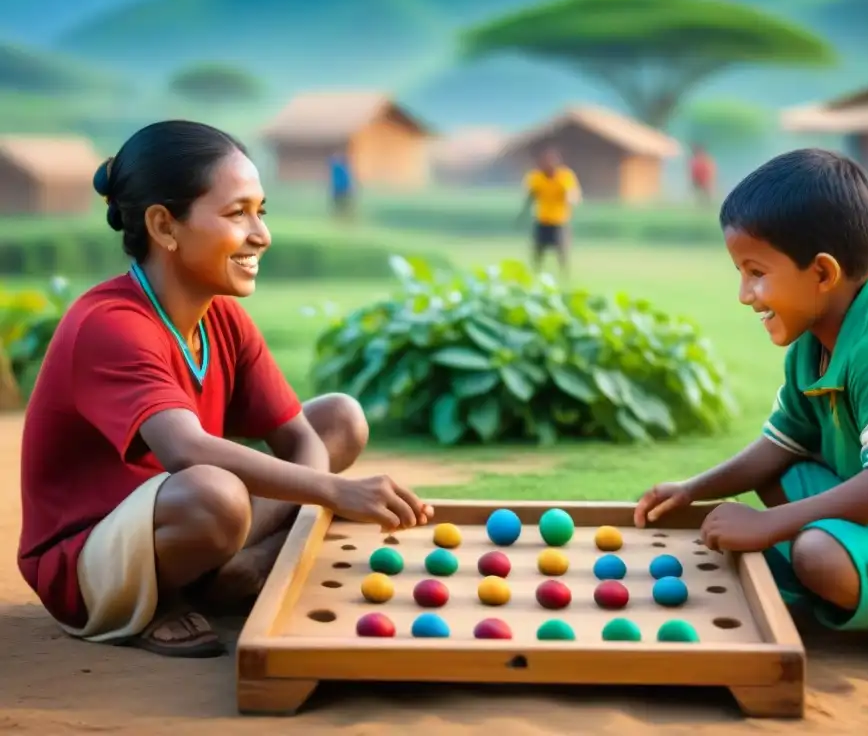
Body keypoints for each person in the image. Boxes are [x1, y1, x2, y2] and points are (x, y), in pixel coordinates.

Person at [17, 120, 433, 659]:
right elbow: (184, 450)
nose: (261, 234)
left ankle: (239, 568)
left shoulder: (223, 319)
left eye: (262, 211)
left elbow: (299, 437)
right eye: (237, 213)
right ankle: (167, 597)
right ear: (165, 226)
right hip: (89, 559)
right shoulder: (110, 323)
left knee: (339, 419)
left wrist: (306, 503)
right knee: (215, 494)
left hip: (198, 514)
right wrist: (334, 493)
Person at [634, 148, 868, 655]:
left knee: (817, 553)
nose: (744, 294)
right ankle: (852, 577)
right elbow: (779, 446)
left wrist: (769, 524)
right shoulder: (812, 347)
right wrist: (692, 489)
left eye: (756, 272)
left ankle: (867, 600)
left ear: (822, 273)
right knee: (776, 472)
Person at [519, 146, 580, 278]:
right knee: (538, 251)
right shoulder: (536, 177)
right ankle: (536, 274)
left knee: (562, 251)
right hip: (542, 219)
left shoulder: (565, 176)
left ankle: (564, 276)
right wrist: (523, 214)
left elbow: (573, 194)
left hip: (559, 220)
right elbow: (530, 196)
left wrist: (570, 198)